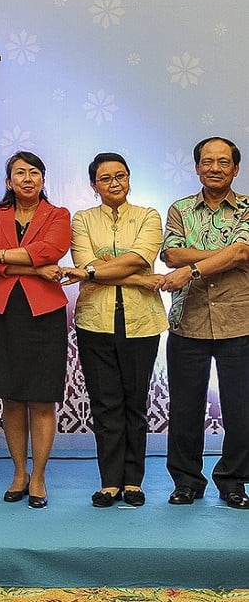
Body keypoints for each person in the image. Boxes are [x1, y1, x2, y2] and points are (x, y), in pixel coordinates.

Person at [60, 153, 168, 508]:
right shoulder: (83, 219)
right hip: (95, 320)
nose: (114, 183)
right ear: (93, 185)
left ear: (130, 178)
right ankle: (109, 482)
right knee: (105, 404)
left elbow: (140, 255)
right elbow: (84, 264)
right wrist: (140, 279)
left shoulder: (149, 216)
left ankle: (133, 482)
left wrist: (99, 270)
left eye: (120, 176)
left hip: (142, 322)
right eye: (105, 179)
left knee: (134, 403)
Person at [0, 151, 70, 509]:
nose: (27, 178)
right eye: (19, 173)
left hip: (44, 313)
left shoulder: (59, 215)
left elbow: (51, 250)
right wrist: (30, 266)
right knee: (11, 397)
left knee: (42, 397)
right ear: (8, 181)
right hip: (2, 310)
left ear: (43, 179)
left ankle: (40, 477)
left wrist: (4, 254)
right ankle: (19, 472)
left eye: (34, 173)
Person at [157, 137, 249, 509]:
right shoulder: (180, 208)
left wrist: (194, 266)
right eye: (207, 161)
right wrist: (229, 256)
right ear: (196, 167)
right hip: (188, 321)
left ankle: (233, 481)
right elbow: (171, 253)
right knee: (184, 409)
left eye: (223, 162)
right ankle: (186, 481)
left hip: (239, 320)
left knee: (241, 409)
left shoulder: (247, 208)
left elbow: (244, 250)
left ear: (236, 169)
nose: (215, 167)